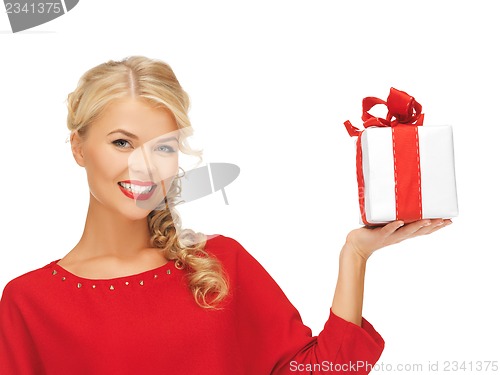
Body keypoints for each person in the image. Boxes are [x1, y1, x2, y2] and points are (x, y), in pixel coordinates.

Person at [0, 56, 451, 375]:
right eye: (122, 142)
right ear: (79, 147)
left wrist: (355, 256)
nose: (144, 165)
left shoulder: (220, 264)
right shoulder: (29, 303)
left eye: (163, 146)